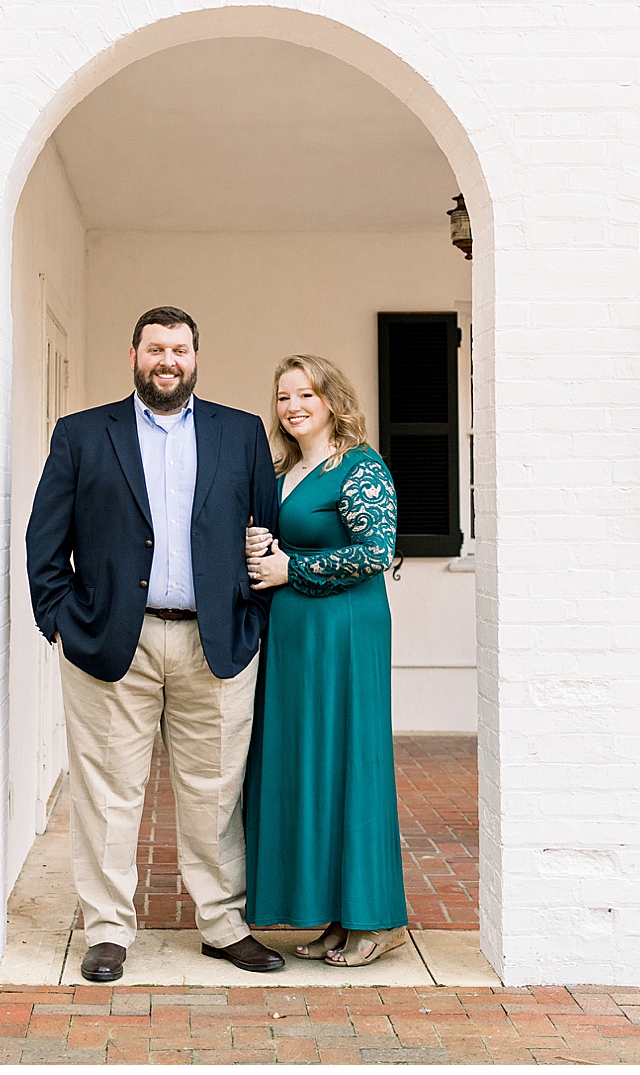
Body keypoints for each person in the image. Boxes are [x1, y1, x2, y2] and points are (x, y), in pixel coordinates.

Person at [24, 305, 287, 983]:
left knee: (215, 790)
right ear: (134, 354)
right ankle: (107, 929)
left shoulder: (241, 432)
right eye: (154, 349)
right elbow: (44, 540)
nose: (166, 360)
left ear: (195, 356)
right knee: (109, 793)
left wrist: (251, 615)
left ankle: (224, 924)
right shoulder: (82, 434)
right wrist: (60, 619)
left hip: (217, 640)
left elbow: (267, 530)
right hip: (113, 640)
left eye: (178, 349)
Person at [242, 354, 409, 967]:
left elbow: (377, 552)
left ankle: (374, 919)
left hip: (345, 627)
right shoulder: (285, 471)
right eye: (284, 396)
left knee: (352, 759)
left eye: (306, 394)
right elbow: (283, 540)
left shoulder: (361, 467)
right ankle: (335, 916)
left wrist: (293, 567)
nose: (293, 407)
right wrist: (263, 547)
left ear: (333, 400)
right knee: (310, 762)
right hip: (294, 632)